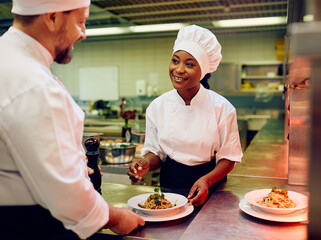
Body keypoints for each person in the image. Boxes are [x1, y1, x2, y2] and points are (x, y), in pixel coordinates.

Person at [0, 0, 144, 239]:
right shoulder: (33, 84)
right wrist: (117, 217)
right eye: (81, 22)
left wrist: (76, 163)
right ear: (53, 17)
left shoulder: (10, 60)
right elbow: (64, 192)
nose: (83, 34)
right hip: (31, 225)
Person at [128, 25, 243, 206]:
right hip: (169, 187)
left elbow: (228, 158)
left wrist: (207, 180)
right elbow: (156, 153)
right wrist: (145, 164)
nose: (179, 70)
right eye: (175, 61)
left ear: (204, 70)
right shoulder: (157, 106)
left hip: (211, 187)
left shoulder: (222, 108)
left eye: (189, 64)